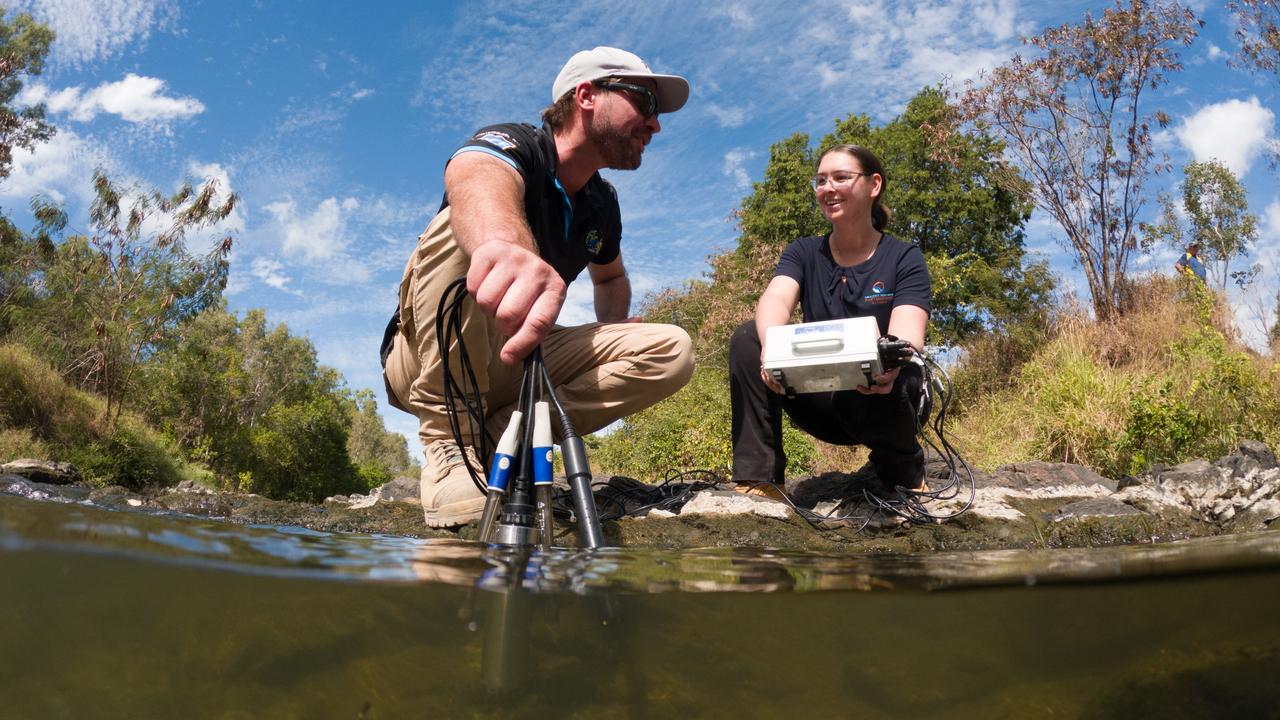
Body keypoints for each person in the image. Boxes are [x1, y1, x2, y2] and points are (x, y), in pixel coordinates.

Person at [383, 47, 694, 528]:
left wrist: (610, 331)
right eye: (645, 104)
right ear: (586, 96)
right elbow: (474, 176)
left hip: (517, 359)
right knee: (458, 230)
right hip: (425, 355)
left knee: (672, 350)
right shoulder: (516, 144)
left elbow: (610, 276)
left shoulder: (601, 205)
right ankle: (450, 443)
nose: (655, 125)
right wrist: (505, 245)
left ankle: (503, 435)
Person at [728, 144, 931, 497]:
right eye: (820, 180)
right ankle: (760, 480)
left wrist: (887, 365)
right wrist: (770, 350)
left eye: (840, 177)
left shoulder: (904, 257)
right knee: (748, 338)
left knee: (897, 359)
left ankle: (905, 474)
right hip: (819, 396)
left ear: (874, 185)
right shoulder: (804, 252)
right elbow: (776, 297)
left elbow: (909, 333)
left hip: (880, 396)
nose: (828, 188)